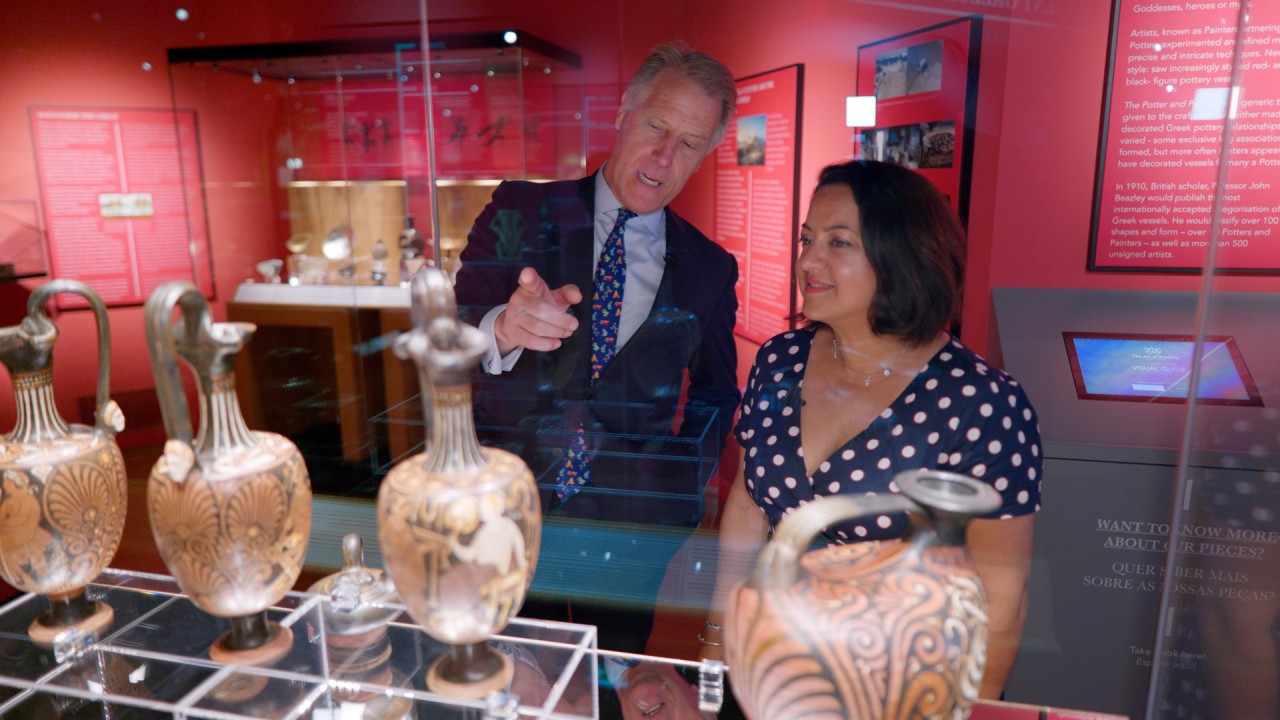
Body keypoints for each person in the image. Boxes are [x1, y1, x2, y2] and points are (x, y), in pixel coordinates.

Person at [700, 159, 1042, 702]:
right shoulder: (780, 358)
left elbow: (1000, 597)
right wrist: (717, 641)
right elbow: (746, 504)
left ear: (900, 256)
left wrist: (968, 712)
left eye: (839, 243)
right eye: (807, 238)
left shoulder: (981, 402)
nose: (808, 259)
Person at [453, 43, 740, 655]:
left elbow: (716, 392)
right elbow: (451, 330)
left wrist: (680, 491)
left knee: (614, 679)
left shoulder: (710, 269)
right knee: (504, 669)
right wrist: (502, 326)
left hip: (631, 531)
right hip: (505, 512)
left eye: (689, 143)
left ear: (707, 152)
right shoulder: (521, 209)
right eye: (657, 126)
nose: (665, 158)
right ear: (623, 112)